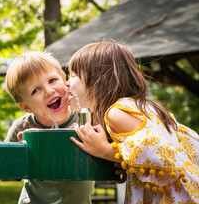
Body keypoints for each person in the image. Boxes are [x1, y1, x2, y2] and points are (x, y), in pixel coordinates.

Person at [67, 40, 199, 203]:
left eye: (73, 76)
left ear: (97, 80)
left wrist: (105, 150)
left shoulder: (115, 112)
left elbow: (157, 149)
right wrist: (126, 163)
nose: (67, 82)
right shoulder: (142, 107)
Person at [4, 51, 95, 204]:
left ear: (65, 81)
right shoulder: (23, 127)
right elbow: (4, 172)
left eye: (52, 80)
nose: (48, 91)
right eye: (35, 90)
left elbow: (109, 157)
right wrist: (24, 152)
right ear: (26, 107)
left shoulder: (86, 119)